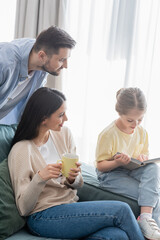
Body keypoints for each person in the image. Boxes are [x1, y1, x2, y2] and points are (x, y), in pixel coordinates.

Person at [8, 87, 144, 240]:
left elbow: (78, 183)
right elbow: (23, 208)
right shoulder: (21, 150)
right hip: (42, 216)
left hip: (70, 207)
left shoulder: (64, 134)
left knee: (117, 235)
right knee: (122, 210)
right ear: (43, 118)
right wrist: (40, 178)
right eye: (60, 115)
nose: (66, 118)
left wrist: (73, 178)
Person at [95, 87, 160, 240]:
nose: (135, 124)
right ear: (119, 113)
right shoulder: (108, 134)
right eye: (130, 120)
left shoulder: (142, 132)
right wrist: (117, 162)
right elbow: (100, 166)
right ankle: (147, 225)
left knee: (153, 168)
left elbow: (143, 156)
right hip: (111, 174)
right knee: (152, 196)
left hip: (132, 169)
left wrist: (143, 158)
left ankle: (146, 218)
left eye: (140, 119)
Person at [0, 26, 76, 124]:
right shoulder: (5, 63)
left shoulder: (42, 64)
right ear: (42, 56)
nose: (66, 66)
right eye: (61, 60)